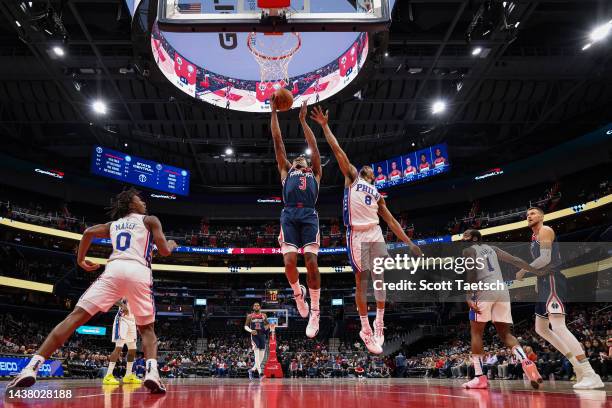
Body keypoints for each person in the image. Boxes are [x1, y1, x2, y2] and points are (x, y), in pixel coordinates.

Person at [6, 188, 177, 394]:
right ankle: (152, 373)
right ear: (131, 204)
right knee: (147, 330)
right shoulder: (150, 220)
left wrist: (80, 260)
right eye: (139, 200)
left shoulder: (113, 225)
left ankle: (31, 367)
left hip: (113, 269)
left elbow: (87, 233)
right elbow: (165, 252)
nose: (143, 202)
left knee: (74, 318)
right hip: (138, 270)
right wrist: (171, 244)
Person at [310, 105, 421, 354]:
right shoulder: (352, 178)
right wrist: (325, 126)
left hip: (375, 232)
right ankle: (365, 329)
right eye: (366, 167)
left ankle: (379, 323)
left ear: (374, 176)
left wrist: (409, 243)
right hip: (357, 234)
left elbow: (391, 221)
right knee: (362, 282)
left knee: (380, 279)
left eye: (370, 169)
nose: (367, 168)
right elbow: (338, 151)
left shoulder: (378, 194)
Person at [516, 207, 604, 389]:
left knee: (558, 326)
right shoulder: (533, 238)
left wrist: (525, 268)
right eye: (527, 215)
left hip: (552, 279)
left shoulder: (545, 230)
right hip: (543, 282)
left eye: (533, 213)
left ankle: (589, 373)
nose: (529, 216)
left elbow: (546, 258)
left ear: (541, 216)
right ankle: (577, 367)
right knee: (540, 328)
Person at [461, 229, 543, 389]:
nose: (463, 239)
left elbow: (471, 273)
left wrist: (468, 295)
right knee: (505, 334)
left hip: (483, 289)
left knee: (476, 333)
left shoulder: (468, 250)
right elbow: (514, 260)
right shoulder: (493, 249)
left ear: (475, 238)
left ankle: (479, 377)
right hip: (501, 289)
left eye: (466, 236)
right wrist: (535, 271)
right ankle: (525, 361)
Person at [270, 99, 322, 338]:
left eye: (304, 158)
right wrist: (273, 111)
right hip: (289, 213)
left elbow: (314, 146)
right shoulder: (285, 170)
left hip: (309, 214)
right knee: (289, 262)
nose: (300, 158)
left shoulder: (315, 172)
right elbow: (278, 141)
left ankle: (316, 310)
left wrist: (302, 121)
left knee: (311, 262)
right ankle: (298, 296)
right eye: (297, 158)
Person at [103, 299, 142, 385]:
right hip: (122, 319)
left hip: (133, 321)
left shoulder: (138, 292)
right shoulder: (125, 287)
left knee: (133, 349)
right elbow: (113, 298)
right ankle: (108, 376)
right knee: (119, 347)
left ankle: (128, 375)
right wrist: (122, 305)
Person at [244, 302, 269, 380]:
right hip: (254, 336)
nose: (256, 306)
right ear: (253, 307)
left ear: (260, 307)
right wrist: (251, 331)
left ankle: (251, 370)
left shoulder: (264, 315)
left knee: (261, 357)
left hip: (262, 336)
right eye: (255, 305)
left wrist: (266, 326)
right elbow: (245, 326)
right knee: (257, 356)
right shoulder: (250, 316)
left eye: (258, 305)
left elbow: (267, 325)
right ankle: (260, 374)